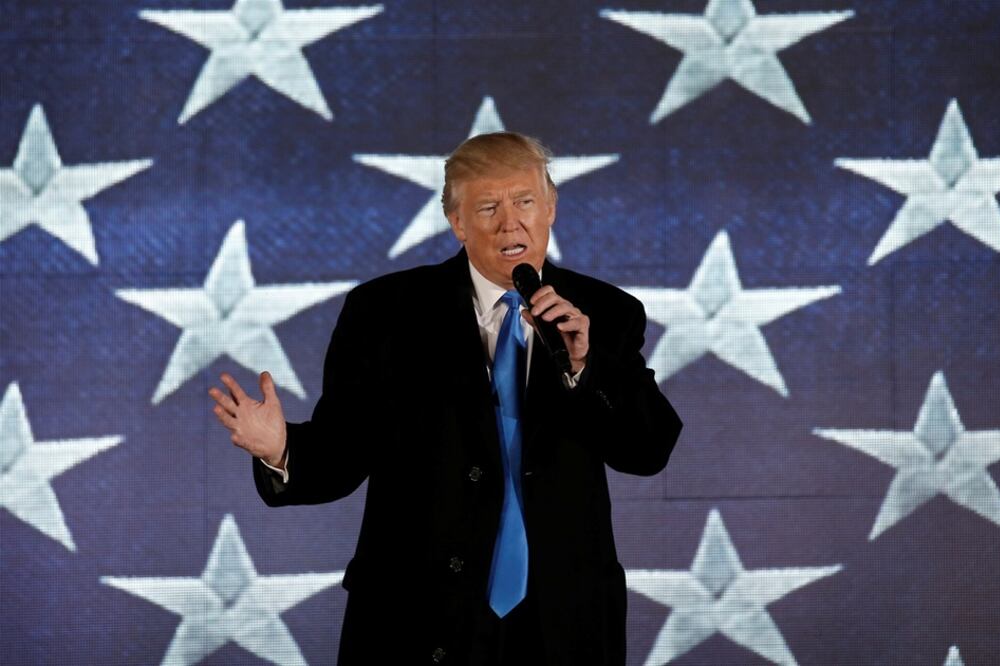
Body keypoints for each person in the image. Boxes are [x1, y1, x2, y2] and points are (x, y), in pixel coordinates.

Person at [208, 132, 682, 665]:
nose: (511, 223)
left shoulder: (604, 312)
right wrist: (281, 450)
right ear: (457, 223)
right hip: (418, 618)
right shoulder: (384, 313)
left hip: (560, 627)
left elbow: (648, 449)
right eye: (488, 208)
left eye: (525, 201)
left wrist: (584, 368)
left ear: (550, 207)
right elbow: (343, 453)